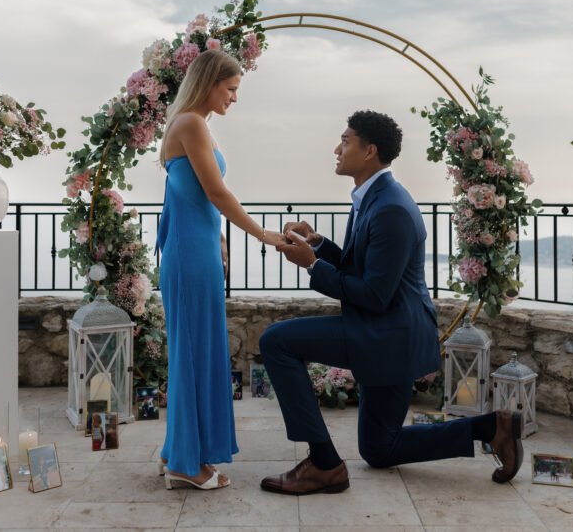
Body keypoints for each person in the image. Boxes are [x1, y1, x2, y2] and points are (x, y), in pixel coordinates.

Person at [261, 110, 523, 495]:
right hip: (387, 332)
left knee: (276, 341)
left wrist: (313, 265)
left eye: (345, 141)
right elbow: (365, 268)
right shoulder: (375, 197)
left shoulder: (391, 209)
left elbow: (374, 294)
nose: (337, 148)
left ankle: (323, 463)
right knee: (379, 450)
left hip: (387, 334)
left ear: (369, 151)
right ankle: (491, 427)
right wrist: (318, 244)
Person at [156, 49, 287, 491]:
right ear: (209, 83)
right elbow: (216, 192)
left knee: (199, 353)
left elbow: (190, 196)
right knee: (193, 355)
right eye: (230, 89)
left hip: (199, 251)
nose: (234, 98)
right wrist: (262, 234)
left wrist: (221, 238)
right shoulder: (190, 123)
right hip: (190, 258)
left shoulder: (196, 124)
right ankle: (184, 464)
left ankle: (183, 452)